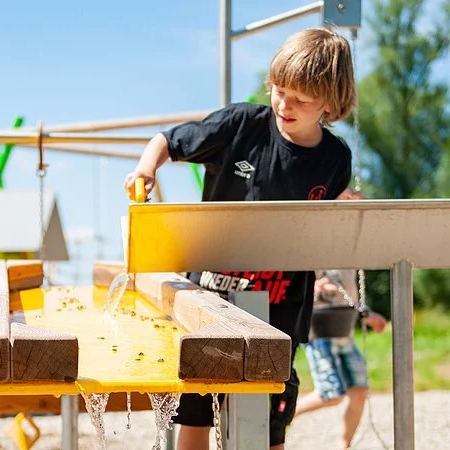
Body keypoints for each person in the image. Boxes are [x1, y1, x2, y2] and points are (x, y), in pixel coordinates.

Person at [124, 27, 356, 450]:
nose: (285, 104)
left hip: (281, 308)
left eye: (300, 99)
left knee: (271, 412)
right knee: (197, 400)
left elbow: (324, 225)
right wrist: (146, 169)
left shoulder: (335, 159)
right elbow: (168, 141)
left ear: (331, 101)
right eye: (279, 90)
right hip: (209, 296)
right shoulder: (241, 125)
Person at [294, 189, 387, 450]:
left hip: (343, 329)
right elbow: (300, 288)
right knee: (331, 393)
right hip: (319, 329)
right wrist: (319, 287)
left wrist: (366, 314)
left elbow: (349, 295)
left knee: (359, 391)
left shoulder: (350, 252)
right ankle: (282, 419)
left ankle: (343, 445)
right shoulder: (315, 245)